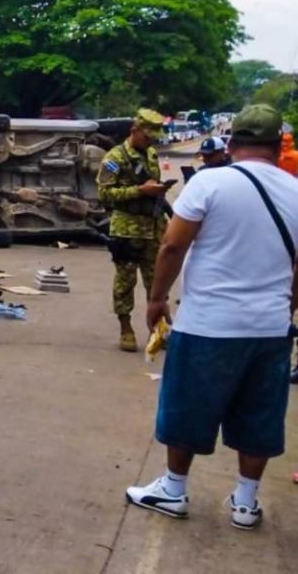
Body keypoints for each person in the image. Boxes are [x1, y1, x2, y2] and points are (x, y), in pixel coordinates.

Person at [125, 104, 298, 530]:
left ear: (232, 141)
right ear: (278, 147)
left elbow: (171, 247)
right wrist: (286, 307)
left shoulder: (208, 183)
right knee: (260, 414)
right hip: (270, 329)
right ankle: (245, 503)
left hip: (208, 325)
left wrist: (156, 298)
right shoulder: (296, 191)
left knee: (186, 408)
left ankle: (174, 490)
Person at [97, 108, 170, 352]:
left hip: (153, 228)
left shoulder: (150, 154)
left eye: (153, 138)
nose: (151, 142)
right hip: (127, 230)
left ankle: (158, 330)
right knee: (125, 282)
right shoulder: (114, 158)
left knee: (156, 282)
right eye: (147, 136)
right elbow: (105, 194)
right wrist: (139, 191)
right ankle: (125, 328)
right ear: (134, 131)